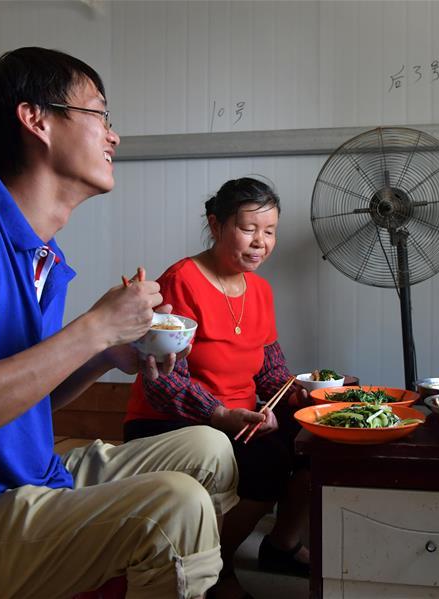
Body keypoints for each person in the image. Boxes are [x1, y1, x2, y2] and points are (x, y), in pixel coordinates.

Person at [0, 47, 238, 599]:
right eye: (101, 115)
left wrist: (105, 355)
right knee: (174, 508)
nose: (114, 137)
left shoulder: (41, 255)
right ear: (36, 119)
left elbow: (21, 395)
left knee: (210, 450)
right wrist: (93, 328)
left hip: (29, 481)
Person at [124, 177, 310, 599]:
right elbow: (164, 380)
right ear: (216, 224)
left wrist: (301, 391)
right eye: (248, 229)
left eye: (270, 231)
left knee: (309, 444)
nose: (260, 242)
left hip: (238, 418)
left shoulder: (260, 290)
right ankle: (214, 573)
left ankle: (275, 548)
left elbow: (270, 371)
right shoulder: (183, 279)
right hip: (172, 422)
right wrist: (220, 414)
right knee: (267, 464)